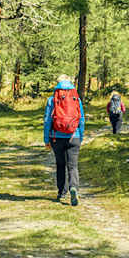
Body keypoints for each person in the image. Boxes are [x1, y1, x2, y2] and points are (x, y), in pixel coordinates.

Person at [44, 75, 84, 205]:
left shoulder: (52, 99)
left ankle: (61, 192)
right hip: (74, 136)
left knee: (60, 165)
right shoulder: (76, 98)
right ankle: (74, 188)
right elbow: (81, 119)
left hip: (57, 137)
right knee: (73, 166)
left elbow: (47, 121)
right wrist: (80, 136)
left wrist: (46, 139)